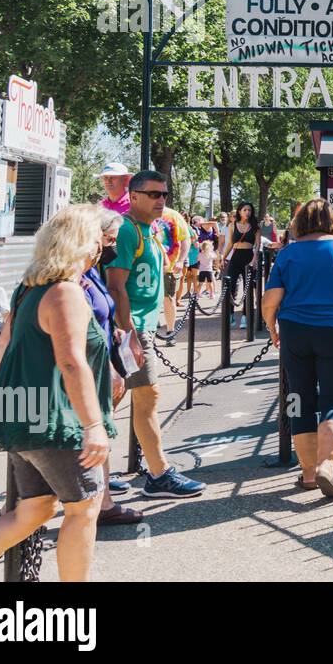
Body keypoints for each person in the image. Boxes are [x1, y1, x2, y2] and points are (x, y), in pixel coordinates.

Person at [0, 204, 116, 582]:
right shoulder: (64, 292)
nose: (99, 250)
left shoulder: (29, 289)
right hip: (55, 421)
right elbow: (71, 363)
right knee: (84, 506)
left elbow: (5, 344)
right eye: (96, 242)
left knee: (34, 509)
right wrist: (93, 426)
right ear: (78, 243)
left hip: (26, 416)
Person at [261, 199, 333, 498]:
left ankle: (308, 474)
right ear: (332, 220)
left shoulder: (288, 253)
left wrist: (272, 328)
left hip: (295, 332)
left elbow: (270, 300)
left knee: (300, 400)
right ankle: (326, 466)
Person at [104, 171, 204, 499]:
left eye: (164, 194)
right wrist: (129, 334)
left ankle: (101, 473)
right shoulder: (127, 231)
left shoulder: (153, 229)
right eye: (153, 194)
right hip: (129, 329)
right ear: (133, 196)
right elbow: (116, 285)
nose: (161, 200)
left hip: (141, 326)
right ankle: (158, 474)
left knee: (125, 398)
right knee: (138, 397)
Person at [84, 209, 143, 527]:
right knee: (88, 434)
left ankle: (103, 501)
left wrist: (117, 332)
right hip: (87, 367)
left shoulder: (92, 269)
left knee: (101, 430)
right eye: (108, 239)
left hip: (103, 358)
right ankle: (22, 507)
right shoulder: (72, 276)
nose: (111, 246)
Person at [153, 205, 192, 345]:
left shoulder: (173, 215)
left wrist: (181, 261)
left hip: (169, 266)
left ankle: (170, 331)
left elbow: (186, 239)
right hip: (147, 266)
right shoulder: (141, 212)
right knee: (150, 299)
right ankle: (150, 330)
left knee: (168, 299)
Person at [222, 202, 259, 330]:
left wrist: (254, 260)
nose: (247, 212)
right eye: (245, 210)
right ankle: (231, 314)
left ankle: (245, 316)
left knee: (248, 288)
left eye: (249, 210)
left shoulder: (254, 226)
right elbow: (230, 244)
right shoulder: (232, 225)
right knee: (230, 286)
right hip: (235, 256)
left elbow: (258, 246)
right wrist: (222, 258)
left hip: (249, 257)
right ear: (239, 211)